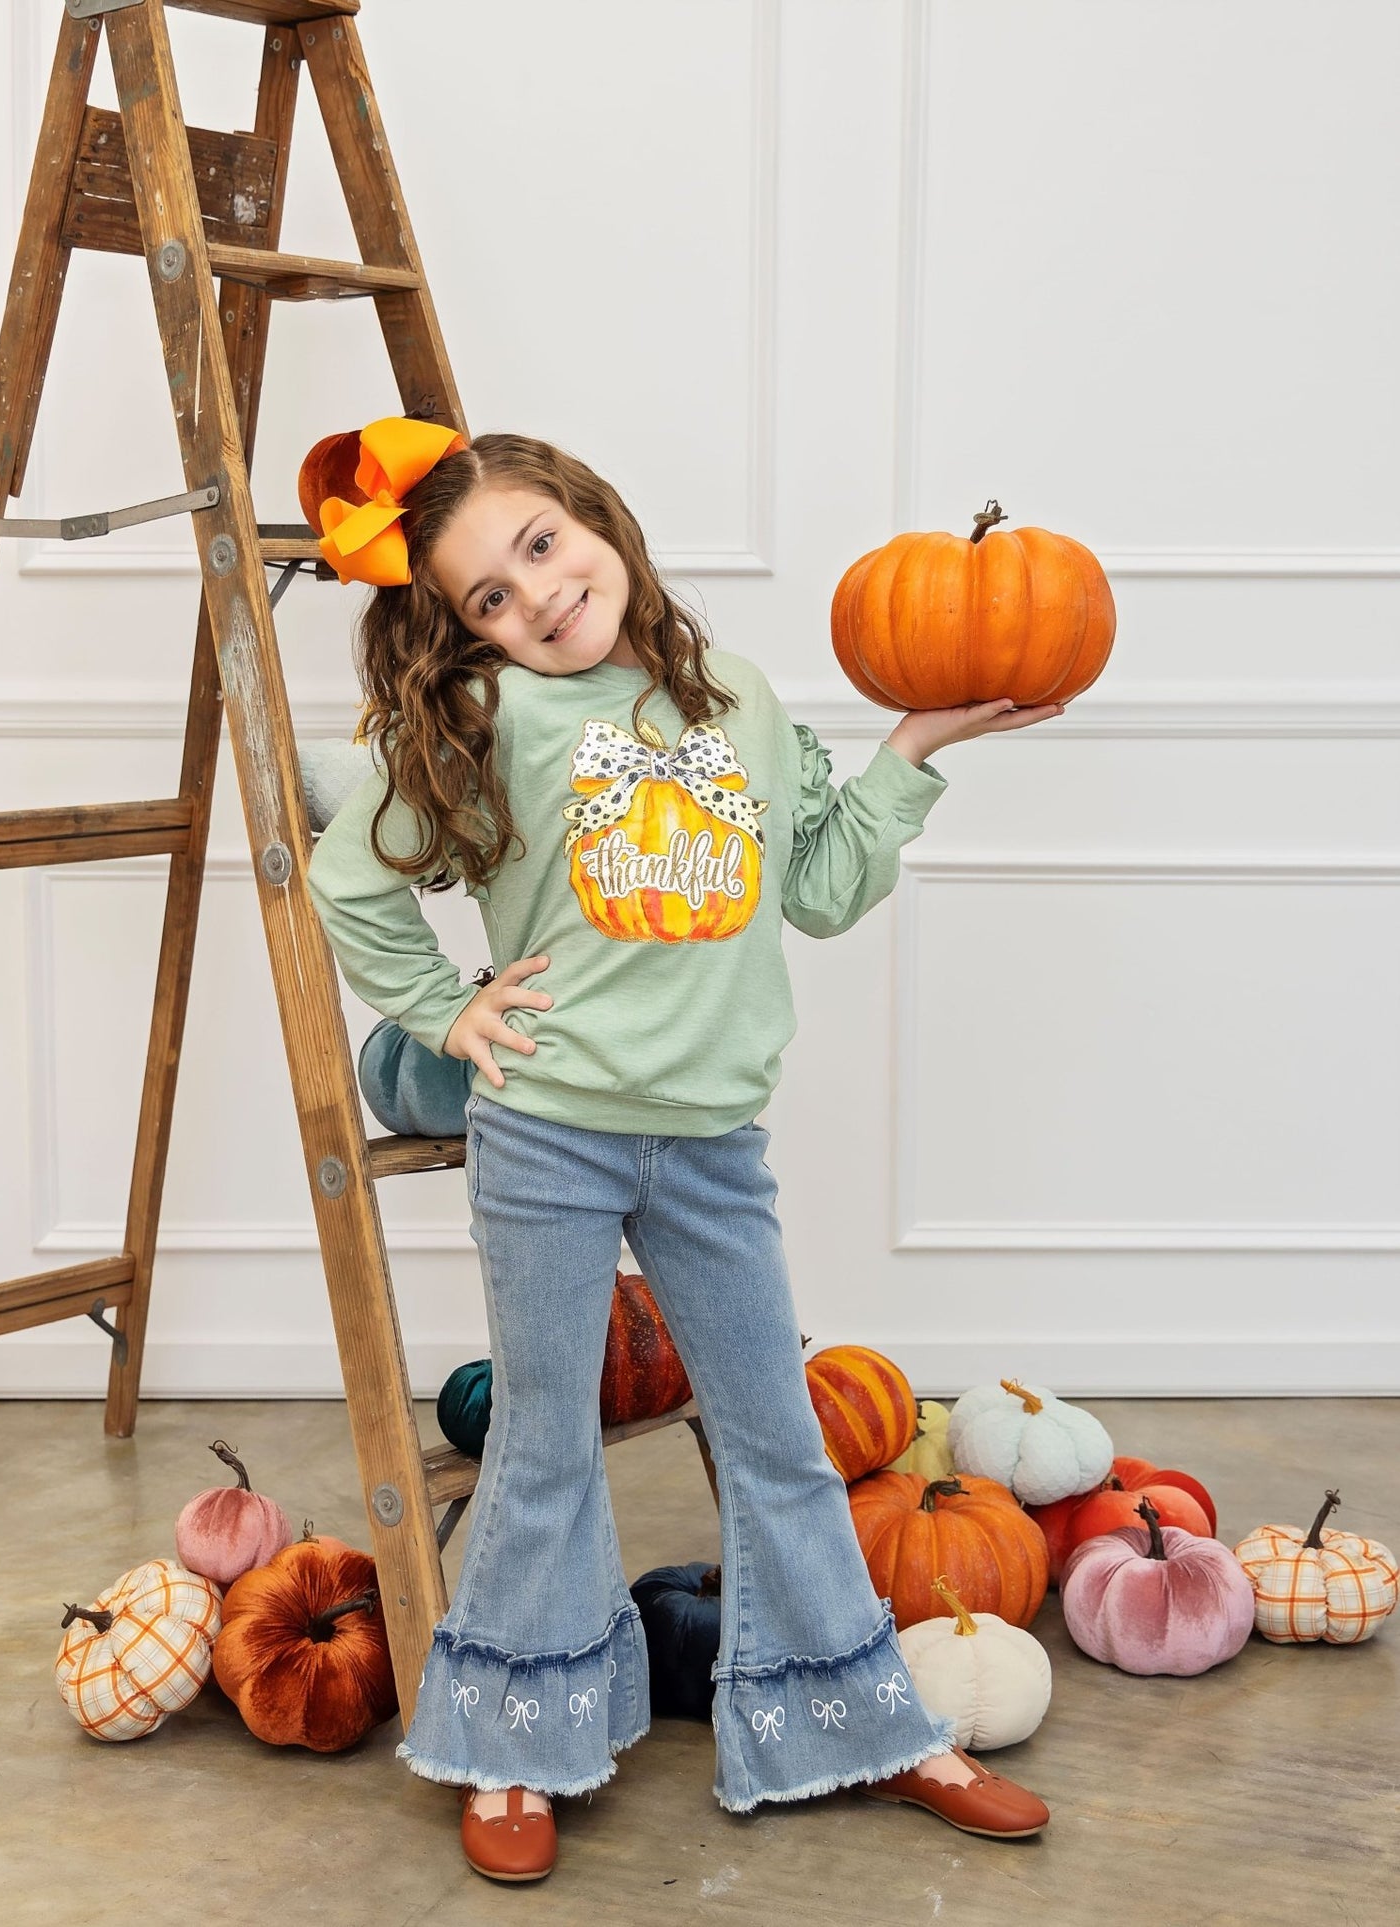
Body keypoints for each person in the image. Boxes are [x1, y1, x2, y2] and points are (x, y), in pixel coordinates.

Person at [304, 418, 1062, 1880]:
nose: (534, 597)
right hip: (554, 1137)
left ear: (597, 519)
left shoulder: (741, 703)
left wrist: (906, 751)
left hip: (713, 1140)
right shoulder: (486, 723)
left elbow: (825, 889)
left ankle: (866, 1727)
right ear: (466, 633)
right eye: (488, 599)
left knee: (777, 1437)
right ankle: (513, 1746)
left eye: (539, 547)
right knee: (539, 1445)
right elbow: (354, 880)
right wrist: (445, 1012)